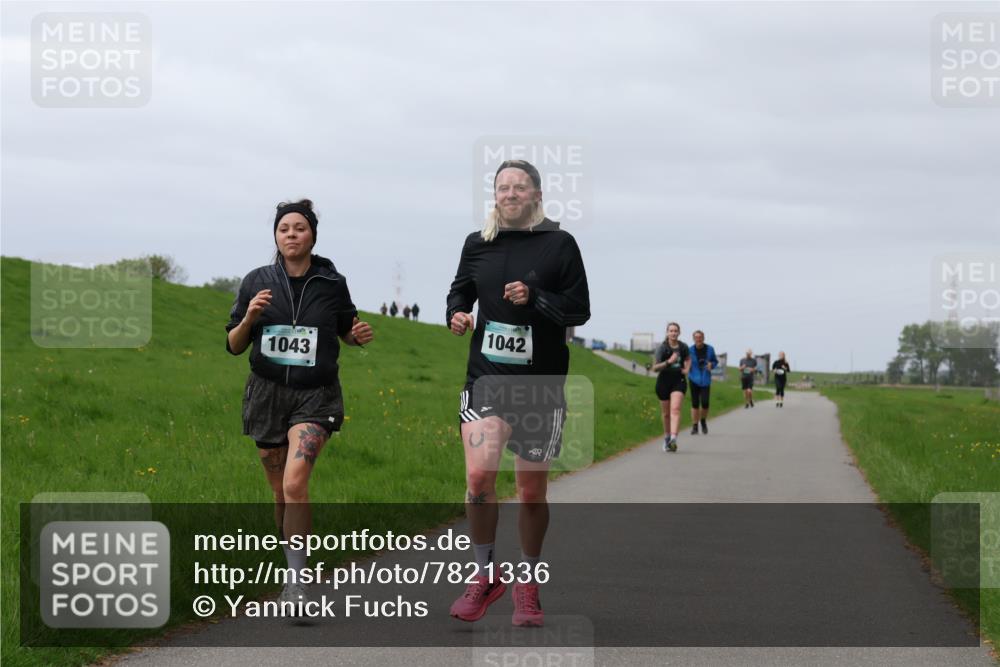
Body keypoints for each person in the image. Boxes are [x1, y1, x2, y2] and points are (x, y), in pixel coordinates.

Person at [446, 159, 590, 627]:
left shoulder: (560, 245)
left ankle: (527, 583)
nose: (510, 193)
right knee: (478, 479)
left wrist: (535, 297)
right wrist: (458, 315)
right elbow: (459, 292)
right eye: (502, 187)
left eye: (519, 187)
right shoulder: (478, 244)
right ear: (495, 197)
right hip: (486, 379)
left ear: (537, 195)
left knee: (530, 492)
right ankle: (485, 574)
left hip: (541, 387)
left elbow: (580, 309)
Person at [225, 199, 374, 611]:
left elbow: (345, 329)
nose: (291, 234)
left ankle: (296, 583)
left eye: (299, 228)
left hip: (316, 395)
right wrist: (249, 319)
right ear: (276, 236)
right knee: (279, 492)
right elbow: (234, 346)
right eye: (284, 229)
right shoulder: (256, 281)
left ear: (312, 235)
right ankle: (289, 564)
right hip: (267, 394)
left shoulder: (331, 282)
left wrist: (356, 335)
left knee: (294, 484)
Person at [652, 323, 691, 452]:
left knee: (675, 409)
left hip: (678, 381)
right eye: (671, 331)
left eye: (676, 331)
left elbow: (688, 358)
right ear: (667, 333)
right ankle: (667, 437)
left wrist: (687, 369)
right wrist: (669, 362)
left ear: (679, 333)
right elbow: (655, 368)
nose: (673, 333)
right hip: (663, 382)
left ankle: (674, 438)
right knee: (666, 414)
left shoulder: (683, 347)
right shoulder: (662, 348)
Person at [687, 330, 719, 435]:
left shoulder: (710, 349)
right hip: (693, 378)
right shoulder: (689, 350)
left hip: (705, 379)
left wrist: (711, 365)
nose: (698, 339)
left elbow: (715, 361)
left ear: (703, 338)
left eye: (700, 337)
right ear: (693, 339)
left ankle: (703, 421)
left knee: (705, 403)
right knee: (695, 403)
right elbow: (685, 361)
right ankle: (695, 426)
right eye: (696, 337)